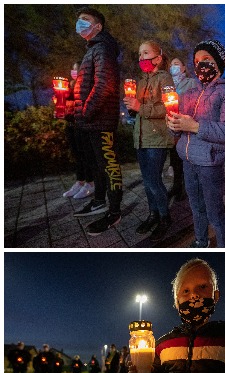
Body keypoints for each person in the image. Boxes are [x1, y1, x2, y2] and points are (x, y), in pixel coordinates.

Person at [166, 40, 225, 248]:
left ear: (218, 63)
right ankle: (201, 240)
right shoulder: (190, 91)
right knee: (195, 207)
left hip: (209, 164)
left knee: (215, 212)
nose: (201, 65)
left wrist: (196, 126)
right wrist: (173, 124)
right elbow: (180, 127)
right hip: (188, 160)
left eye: (206, 59)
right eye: (197, 61)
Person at [69, 7, 125, 236]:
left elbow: (104, 84)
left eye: (85, 20)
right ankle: (99, 200)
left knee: (109, 165)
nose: (80, 23)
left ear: (98, 26)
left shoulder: (102, 49)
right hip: (91, 120)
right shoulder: (93, 49)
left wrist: (86, 111)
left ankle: (114, 212)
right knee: (97, 164)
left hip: (100, 120)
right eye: (79, 20)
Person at [125, 40, 175, 241]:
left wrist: (140, 107)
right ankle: (153, 214)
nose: (141, 57)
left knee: (154, 181)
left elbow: (168, 107)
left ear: (158, 58)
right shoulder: (141, 81)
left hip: (157, 138)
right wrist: (132, 107)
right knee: (147, 182)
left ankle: (164, 217)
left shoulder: (165, 79)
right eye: (139, 54)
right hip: (141, 138)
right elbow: (137, 109)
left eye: (145, 53)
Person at [166, 57, 199, 202]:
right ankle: (176, 186)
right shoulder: (167, 85)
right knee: (174, 160)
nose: (173, 67)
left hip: (185, 126)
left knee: (185, 159)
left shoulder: (191, 83)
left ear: (184, 68)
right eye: (171, 65)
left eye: (176, 64)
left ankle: (186, 189)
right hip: (171, 127)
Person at [63, 61, 96, 200]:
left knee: (85, 154)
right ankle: (80, 181)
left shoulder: (87, 85)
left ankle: (90, 183)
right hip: (71, 123)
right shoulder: (69, 86)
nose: (74, 72)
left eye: (78, 69)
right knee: (77, 154)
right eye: (73, 69)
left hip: (82, 124)